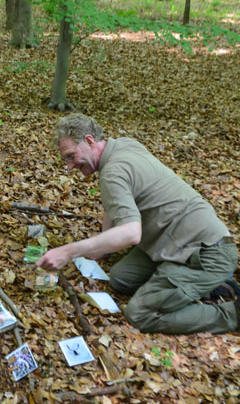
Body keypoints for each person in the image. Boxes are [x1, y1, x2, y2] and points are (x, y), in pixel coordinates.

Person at [36, 113, 238, 335]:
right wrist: (100, 249)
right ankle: (197, 286)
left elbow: (131, 234)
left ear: (90, 140)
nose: (70, 166)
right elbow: (116, 204)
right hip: (172, 242)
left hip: (206, 253)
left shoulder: (112, 172)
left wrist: (68, 252)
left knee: (139, 313)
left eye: (71, 156)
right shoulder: (123, 145)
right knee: (121, 278)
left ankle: (231, 314)